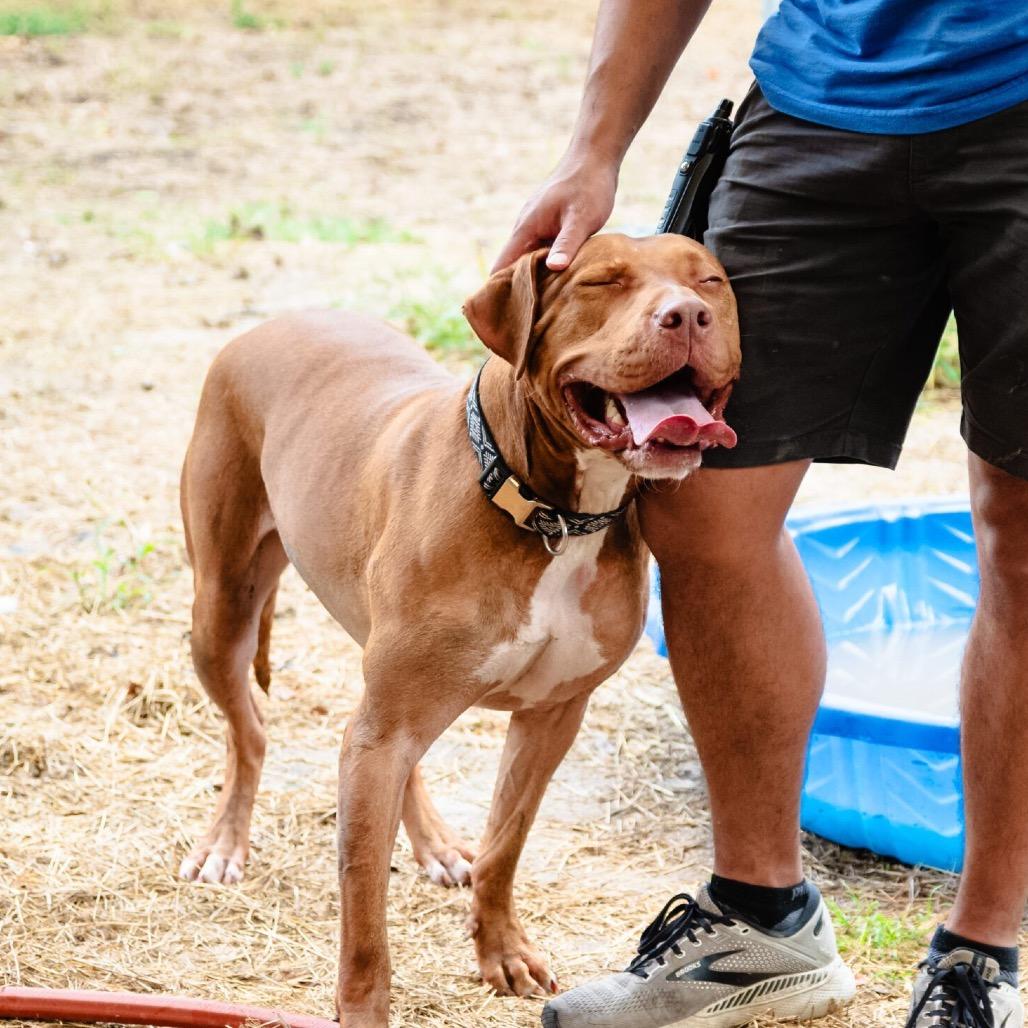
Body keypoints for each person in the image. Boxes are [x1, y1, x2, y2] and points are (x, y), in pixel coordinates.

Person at [494, 2, 1028, 1026]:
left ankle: (981, 953)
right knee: (694, 499)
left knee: (1022, 533)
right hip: (822, 93)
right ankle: (760, 919)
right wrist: (593, 147)